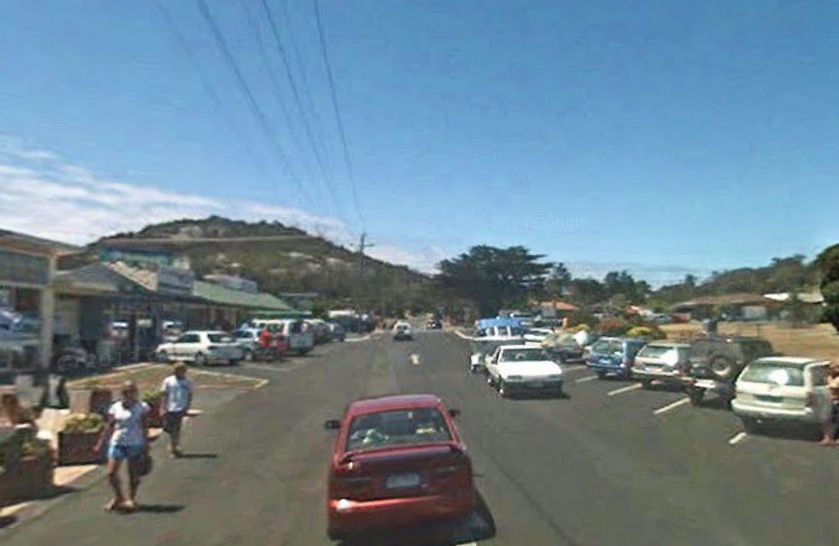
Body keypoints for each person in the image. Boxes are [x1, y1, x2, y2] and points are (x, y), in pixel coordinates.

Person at [94, 380, 150, 511]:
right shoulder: (116, 407)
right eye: (126, 392)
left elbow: (144, 426)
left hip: (135, 443)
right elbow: (109, 425)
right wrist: (101, 442)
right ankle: (119, 497)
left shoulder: (141, 407)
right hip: (118, 442)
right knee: (111, 473)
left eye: (132, 391)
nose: (129, 394)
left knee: (133, 473)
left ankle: (131, 499)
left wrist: (146, 443)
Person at [160, 363, 193, 457]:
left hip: (180, 408)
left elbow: (189, 395)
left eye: (181, 370)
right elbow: (164, 394)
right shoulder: (168, 381)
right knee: (168, 428)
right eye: (176, 370)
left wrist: (187, 406)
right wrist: (163, 407)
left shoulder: (187, 382)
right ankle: (173, 445)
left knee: (176, 429)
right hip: (170, 407)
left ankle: (174, 447)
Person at [820, 364, 839, 446]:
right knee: (828, 420)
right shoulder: (829, 377)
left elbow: (833, 389)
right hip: (830, 401)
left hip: (836, 401)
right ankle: (828, 438)